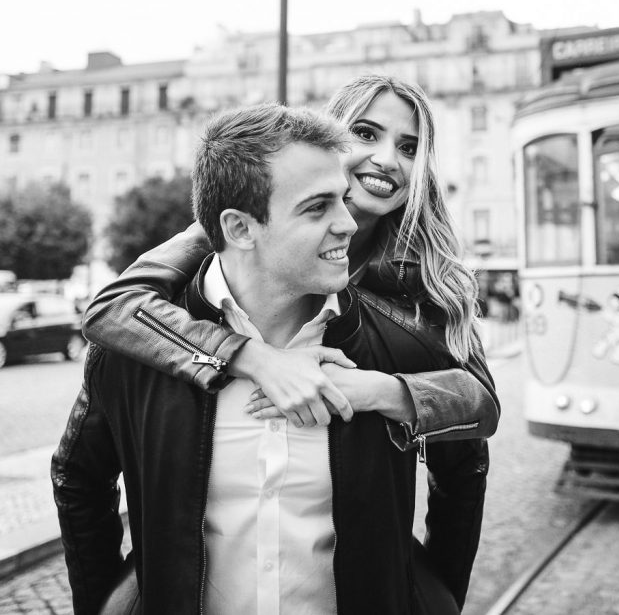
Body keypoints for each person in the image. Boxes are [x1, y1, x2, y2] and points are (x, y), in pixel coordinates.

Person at [80, 77, 498, 610]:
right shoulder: (240, 223)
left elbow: (477, 409)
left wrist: (368, 389)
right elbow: (114, 306)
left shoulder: (425, 279)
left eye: (410, 147)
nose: (388, 159)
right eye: (366, 133)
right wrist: (254, 358)